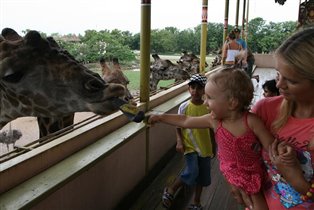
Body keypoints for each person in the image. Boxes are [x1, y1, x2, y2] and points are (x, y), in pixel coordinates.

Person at [148, 67, 292, 210]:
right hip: (230, 172)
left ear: (232, 103)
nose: (205, 102)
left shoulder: (252, 122)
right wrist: (161, 117)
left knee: (256, 203)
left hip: (251, 173)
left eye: (209, 98)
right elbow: (185, 120)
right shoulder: (214, 120)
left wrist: (282, 151)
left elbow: (271, 146)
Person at [232, 27, 314, 210]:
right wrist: (234, 179)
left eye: (291, 81)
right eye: (278, 75)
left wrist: (295, 178)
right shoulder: (265, 109)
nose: (279, 85)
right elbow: (236, 146)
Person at [162, 74, 214, 210]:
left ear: (205, 90)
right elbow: (178, 126)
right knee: (192, 171)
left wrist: (214, 147)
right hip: (189, 146)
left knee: (202, 177)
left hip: (205, 147)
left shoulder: (208, 107)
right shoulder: (184, 107)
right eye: (192, 87)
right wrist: (179, 141)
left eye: (199, 88)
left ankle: (196, 202)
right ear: (189, 89)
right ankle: (171, 189)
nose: (195, 91)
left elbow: (211, 129)